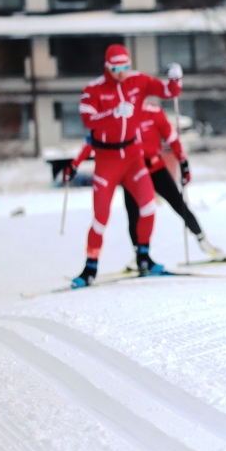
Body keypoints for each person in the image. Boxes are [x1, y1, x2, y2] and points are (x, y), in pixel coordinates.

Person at [62, 44, 183, 288]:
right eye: (117, 68)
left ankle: (144, 257)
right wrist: (114, 113)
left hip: (132, 156)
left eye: (125, 67)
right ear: (108, 66)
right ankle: (89, 268)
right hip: (107, 160)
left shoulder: (138, 81)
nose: (122, 73)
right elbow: (88, 121)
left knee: (148, 207)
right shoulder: (93, 89)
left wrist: (176, 78)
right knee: (101, 218)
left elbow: (168, 92)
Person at [68, 102, 225, 263]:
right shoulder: (118, 114)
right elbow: (94, 140)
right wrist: (75, 163)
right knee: (134, 214)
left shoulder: (154, 112)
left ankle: (203, 241)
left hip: (155, 167)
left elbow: (171, 137)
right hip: (132, 172)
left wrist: (183, 162)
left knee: (178, 204)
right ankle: (140, 255)